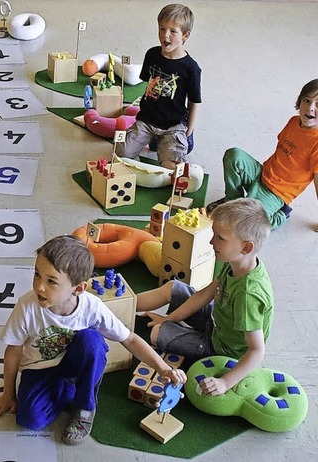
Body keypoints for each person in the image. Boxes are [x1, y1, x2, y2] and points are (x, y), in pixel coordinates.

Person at [0, 235, 187, 445]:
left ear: (78, 288)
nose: (39, 287)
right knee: (29, 420)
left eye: (51, 281)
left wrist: (163, 368)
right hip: (40, 368)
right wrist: (8, 393)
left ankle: (84, 407)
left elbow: (130, 339)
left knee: (91, 340)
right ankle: (73, 390)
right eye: (37, 275)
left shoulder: (91, 306)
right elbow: (14, 350)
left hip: (74, 362)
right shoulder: (27, 306)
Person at [136, 198, 273, 396]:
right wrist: (169, 318)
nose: (211, 242)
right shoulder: (236, 262)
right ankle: (125, 303)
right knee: (173, 288)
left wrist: (225, 383)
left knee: (158, 333)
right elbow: (205, 294)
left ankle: (166, 328)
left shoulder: (248, 294)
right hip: (217, 321)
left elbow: (257, 351)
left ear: (246, 247)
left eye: (220, 238)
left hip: (221, 349)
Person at [206, 78, 318, 230]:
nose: (310, 108)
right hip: (261, 174)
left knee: (244, 223)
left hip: (277, 194)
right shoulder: (293, 121)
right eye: (307, 100)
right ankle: (231, 200)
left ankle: (280, 216)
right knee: (234, 155)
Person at [115, 3, 202, 169]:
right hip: (147, 121)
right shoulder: (152, 54)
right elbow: (146, 85)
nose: (165, 35)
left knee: (172, 167)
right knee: (121, 153)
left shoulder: (191, 68)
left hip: (173, 125)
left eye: (173, 31)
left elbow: (194, 101)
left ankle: (178, 142)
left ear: (185, 35)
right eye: (162, 29)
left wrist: (188, 130)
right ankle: (155, 140)